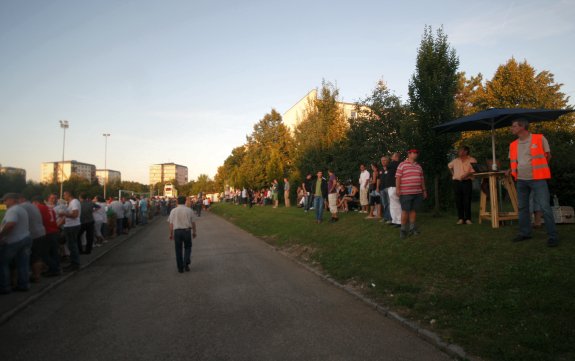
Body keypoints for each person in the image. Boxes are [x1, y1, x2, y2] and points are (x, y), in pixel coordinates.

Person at [507, 119, 558, 247]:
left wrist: (538, 170)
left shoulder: (540, 138)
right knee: (523, 208)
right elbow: (515, 161)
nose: (511, 128)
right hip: (521, 180)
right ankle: (525, 233)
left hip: (538, 179)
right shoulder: (513, 144)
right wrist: (511, 171)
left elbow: (548, 156)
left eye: (514, 126)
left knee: (545, 207)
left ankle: (552, 236)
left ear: (522, 126)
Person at [0, 193, 32, 294]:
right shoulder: (21, 209)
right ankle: (23, 285)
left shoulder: (12, 210)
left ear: (11, 200)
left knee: (2, 263)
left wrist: (1, 236)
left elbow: (10, 224)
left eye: (5, 200)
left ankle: (5, 287)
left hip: (14, 240)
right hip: (25, 237)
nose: (4, 203)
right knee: (23, 263)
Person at [396, 149, 427, 238]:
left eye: (417, 153)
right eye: (414, 153)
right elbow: (398, 178)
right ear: (409, 154)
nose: (416, 154)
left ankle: (412, 228)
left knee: (413, 210)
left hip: (417, 192)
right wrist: (398, 189)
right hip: (405, 192)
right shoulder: (402, 165)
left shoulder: (419, 166)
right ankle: (402, 230)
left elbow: (422, 179)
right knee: (405, 211)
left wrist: (424, 190)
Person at [18, 194, 46, 282]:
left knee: (31, 256)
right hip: (41, 232)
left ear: (21, 199)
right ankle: (37, 275)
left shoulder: (22, 206)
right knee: (37, 256)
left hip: (33, 234)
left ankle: (31, 276)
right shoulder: (33, 206)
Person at [448, 146, 477, 225]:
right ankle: (460, 218)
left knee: (467, 200)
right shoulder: (455, 161)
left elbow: (474, 170)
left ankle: (468, 218)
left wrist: (466, 175)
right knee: (458, 200)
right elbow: (449, 166)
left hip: (467, 182)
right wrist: (453, 175)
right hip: (457, 182)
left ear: (466, 151)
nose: (458, 152)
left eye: (460, 150)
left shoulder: (472, 160)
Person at [33, 196, 61, 276]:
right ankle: (56, 268)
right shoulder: (49, 208)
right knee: (54, 252)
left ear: (35, 202)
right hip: (55, 231)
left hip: (47, 232)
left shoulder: (38, 208)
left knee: (44, 253)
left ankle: (54, 269)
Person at [168, 196, 197, 273]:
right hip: (187, 231)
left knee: (178, 249)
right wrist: (194, 232)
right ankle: (186, 263)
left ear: (177, 201)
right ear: (185, 201)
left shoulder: (173, 211)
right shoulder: (189, 210)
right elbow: (193, 222)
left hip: (177, 232)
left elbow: (171, 224)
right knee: (188, 247)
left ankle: (180, 268)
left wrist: (171, 234)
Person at [59, 191, 82, 271]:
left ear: (69, 194)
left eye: (64, 195)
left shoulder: (74, 202)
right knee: (71, 245)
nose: (63, 196)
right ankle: (74, 262)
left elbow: (75, 215)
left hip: (72, 226)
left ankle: (75, 264)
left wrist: (64, 214)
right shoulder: (71, 203)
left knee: (72, 245)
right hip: (71, 226)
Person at [387, 153, 402, 227]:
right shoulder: (394, 164)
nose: (391, 157)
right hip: (391, 186)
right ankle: (394, 220)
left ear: (396, 157)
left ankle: (399, 221)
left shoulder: (396, 164)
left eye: (392, 156)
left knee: (396, 204)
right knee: (392, 204)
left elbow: (387, 166)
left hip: (395, 186)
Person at [379, 156, 392, 223]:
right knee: (384, 204)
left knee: (389, 203)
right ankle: (385, 217)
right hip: (382, 188)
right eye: (382, 161)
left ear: (387, 161)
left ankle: (390, 218)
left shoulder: (391, 168)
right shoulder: (381, 170)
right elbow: (379, 179)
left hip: (389, 188)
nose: (383, 162)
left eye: (384, 160)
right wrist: (377, 187)